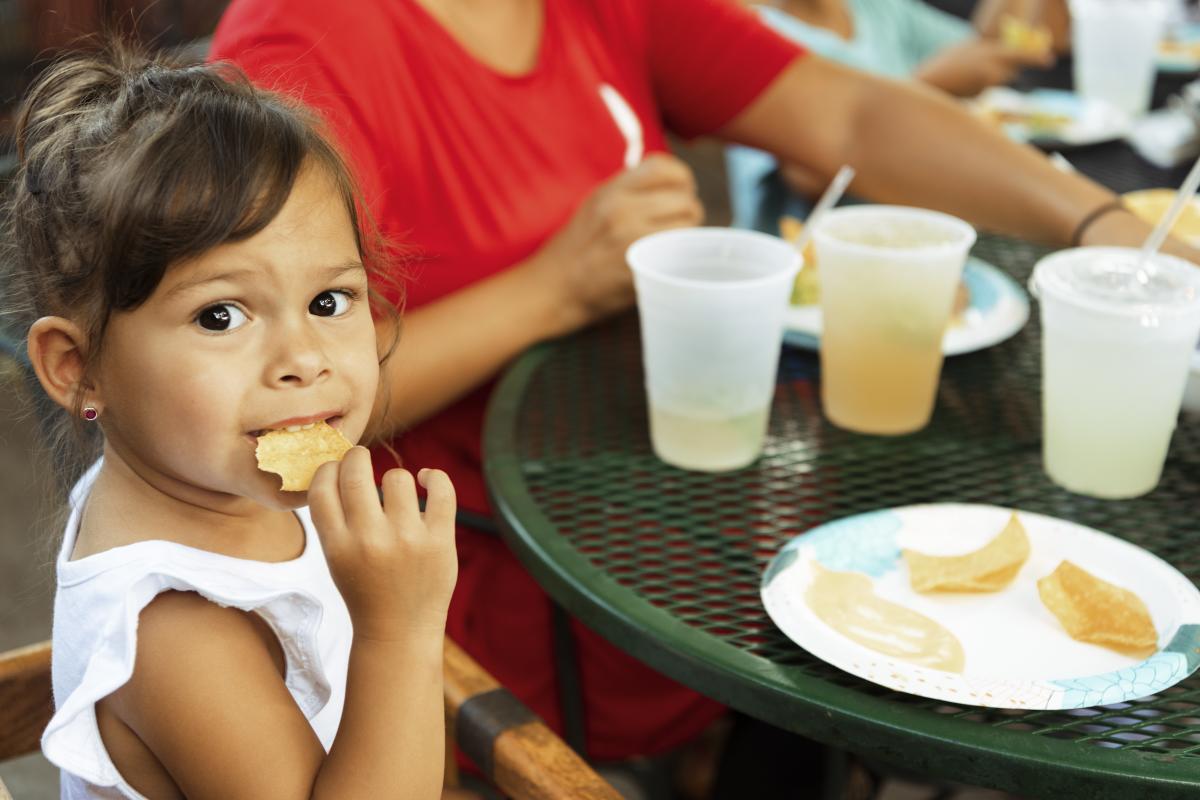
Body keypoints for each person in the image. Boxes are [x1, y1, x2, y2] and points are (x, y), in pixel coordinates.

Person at [209, 0, 1200, 786]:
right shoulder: (305, 47)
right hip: (492, 601)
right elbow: (251, 409)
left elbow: (852, 112)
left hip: (694, 524)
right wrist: (551, 287)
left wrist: (1104, 225)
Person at [8, 43, 458, 799]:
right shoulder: (175, 632)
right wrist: (400, 635)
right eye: (221, 315)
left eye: (329, 301)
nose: (304, 358)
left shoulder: (199, 468)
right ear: (79, 369)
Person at [728, 0, 1070, 230]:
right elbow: (808, 177)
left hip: (921, 230)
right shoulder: (745, 31)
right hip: (816, 266)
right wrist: (931, 86)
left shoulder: (875, 8)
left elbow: (986, 49)